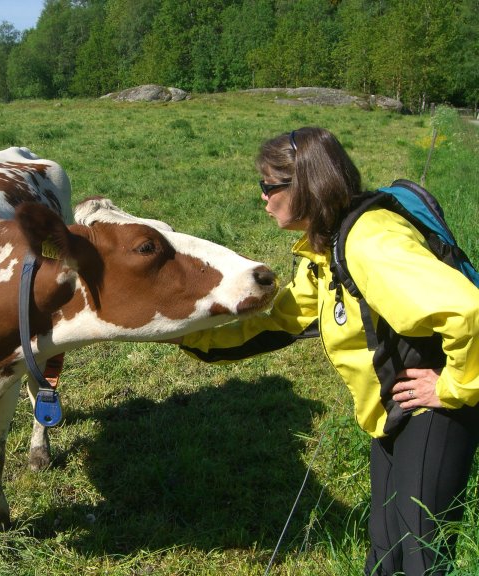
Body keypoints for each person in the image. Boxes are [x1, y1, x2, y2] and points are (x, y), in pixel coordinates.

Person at [177, 127, 479, 575]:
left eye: (267, 185)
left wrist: (454, 386)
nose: (261, 197)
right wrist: (189, 335)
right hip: (392, 411)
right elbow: (280, 321)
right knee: (385, 548)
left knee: (423, 554)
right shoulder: (325, 250)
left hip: (434, 411)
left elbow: (469, 311)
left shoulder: (370, 243)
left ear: (303, 186)